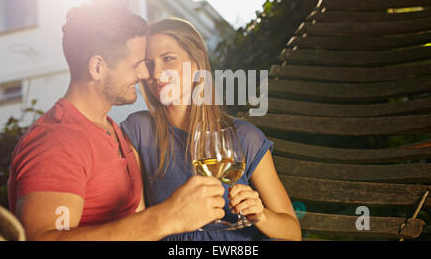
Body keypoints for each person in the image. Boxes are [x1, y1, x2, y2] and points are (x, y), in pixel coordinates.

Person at [7, 5, 226, 241]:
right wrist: (166, 218)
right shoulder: (59, 142)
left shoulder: (111, 129)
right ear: (97, 67)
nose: (145, 74)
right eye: (137, 64)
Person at [121, 18, 302, 241]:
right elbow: (137, 227)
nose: (156, 73)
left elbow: (292, 233)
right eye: (149, 64)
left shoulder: (245, 137)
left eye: (168, 59)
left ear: (196, 64)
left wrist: (261, 215)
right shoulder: (139, 131)